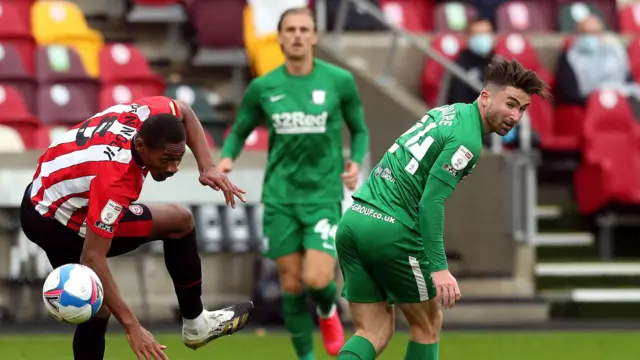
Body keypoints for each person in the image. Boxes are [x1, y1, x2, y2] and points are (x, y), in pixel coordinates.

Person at [335, 57, 549, 360]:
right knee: (428, 325)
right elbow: (431, 202)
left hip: (354, 222)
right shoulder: (468, 140)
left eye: (522, 109)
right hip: (391, 230)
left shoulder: (447, 112)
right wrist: (439, 268)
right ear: (485, 96)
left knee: (373, 331)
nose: (515, 116)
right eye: (511, 104)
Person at [21, 96, 252, 360]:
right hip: (52, 222)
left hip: (48, 193)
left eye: (179, 158)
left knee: (179, 221)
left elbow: (185, 111)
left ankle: (196, 324)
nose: (174, 168)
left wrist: (207, 165)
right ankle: (197, 326)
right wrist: (133, 327)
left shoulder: (149, 113)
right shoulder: (116, 179)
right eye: (166, 159)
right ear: (141, 146)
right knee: (98, 305)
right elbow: (92, 257)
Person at [219, 7, 369, 360]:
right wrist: (227, 157)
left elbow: (359, 129)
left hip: (322, 195)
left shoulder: (339, 81)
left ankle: (328, 312)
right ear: (281, 37)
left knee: (318, 280)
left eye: (305, 29)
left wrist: (354, 161)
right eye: (291, 29)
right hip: (281, 196)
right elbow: (240, 129)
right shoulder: (264, 87)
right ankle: (305, 356)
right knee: (290, 283)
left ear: (315, 36)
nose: (298, 35)